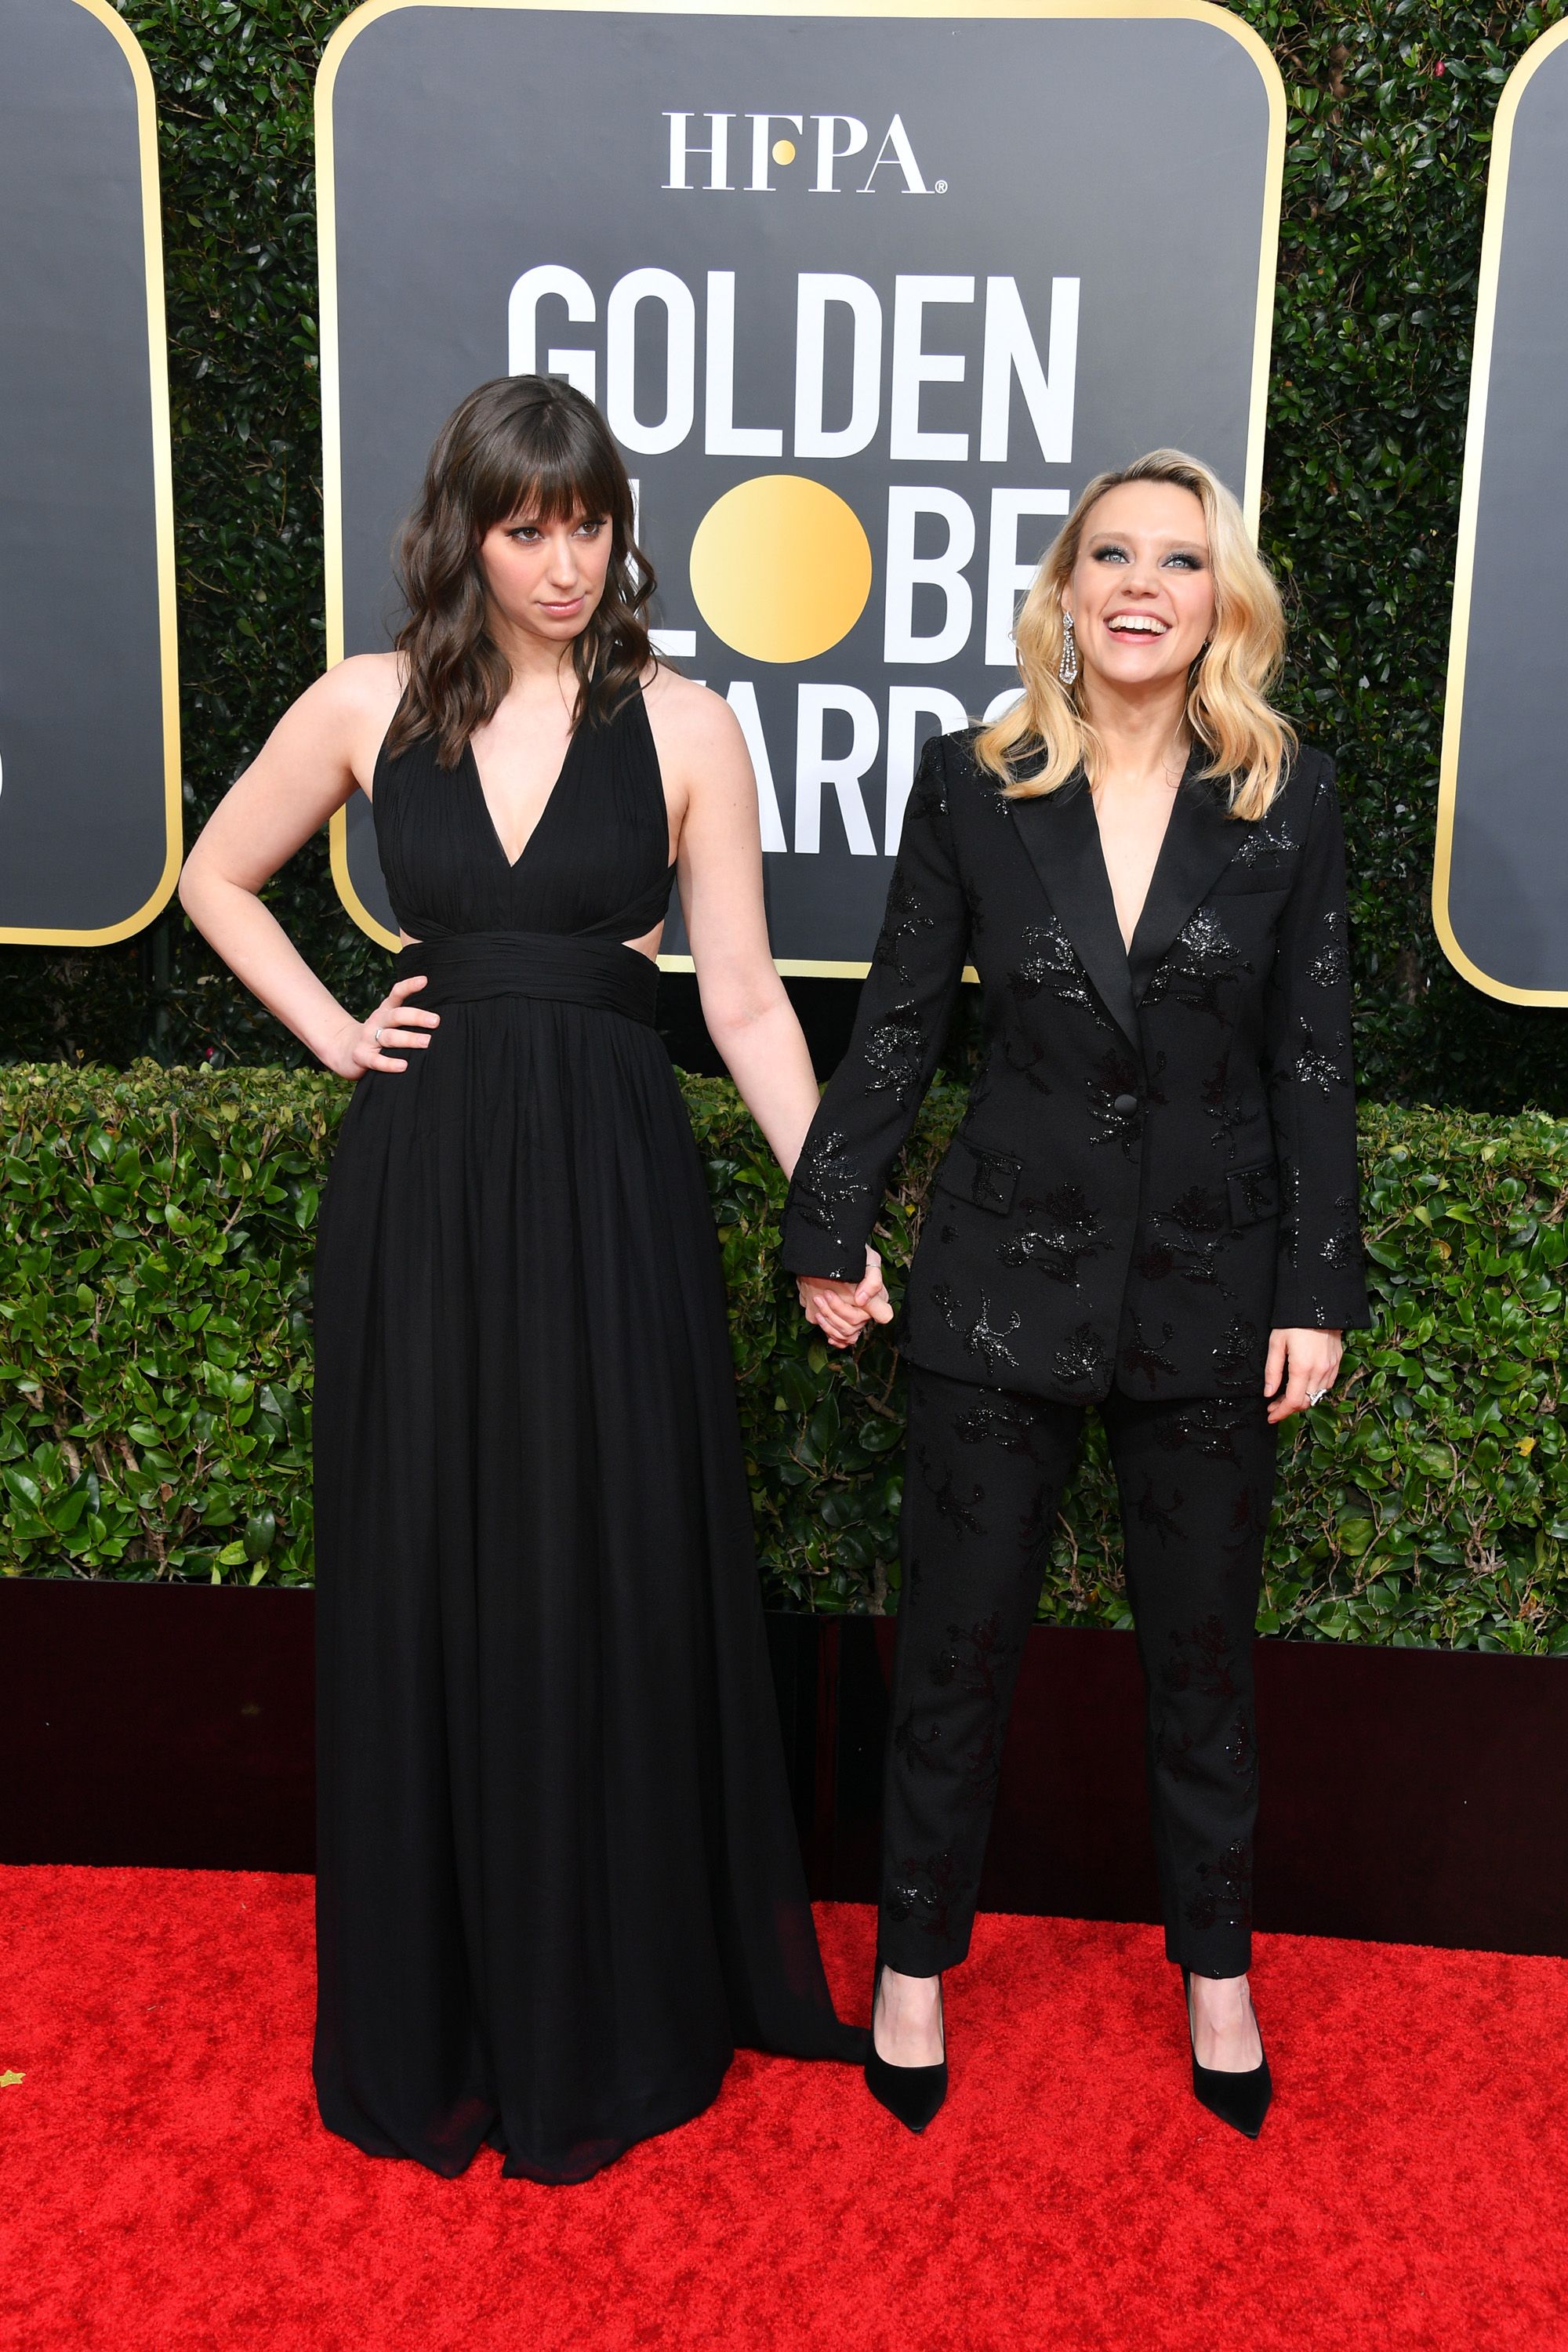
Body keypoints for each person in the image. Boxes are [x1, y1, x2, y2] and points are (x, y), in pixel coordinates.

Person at [179, 374, 874, 2183]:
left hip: (609, 1180)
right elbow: (217, 878)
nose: (565, 561)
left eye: (588, 524)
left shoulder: (695, 727)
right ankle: (444, 1996)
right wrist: (338, 1028)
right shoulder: (363, 703)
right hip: (422, 1181)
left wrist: (832, 1212)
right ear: (466, 533)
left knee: (602, 1549)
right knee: (431, 1553)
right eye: (526, 525)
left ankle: (608, 1988)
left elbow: (739, 1000)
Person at [780, 450, 1369, 2140]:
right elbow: (898, 1024)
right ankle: (909, 1966)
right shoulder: (973, 786)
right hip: (991, 1292)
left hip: (1208, 1295)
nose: (1138, 586)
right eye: (1109, 554)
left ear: (1221, 603)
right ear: (1061, 586)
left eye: (1177, 562)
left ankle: (1219, 1977)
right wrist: (832, 1226)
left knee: (1203, 1666)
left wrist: (1315, 1283)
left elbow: (1312, 1062)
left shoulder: (1287, 799)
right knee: (953, 1655)